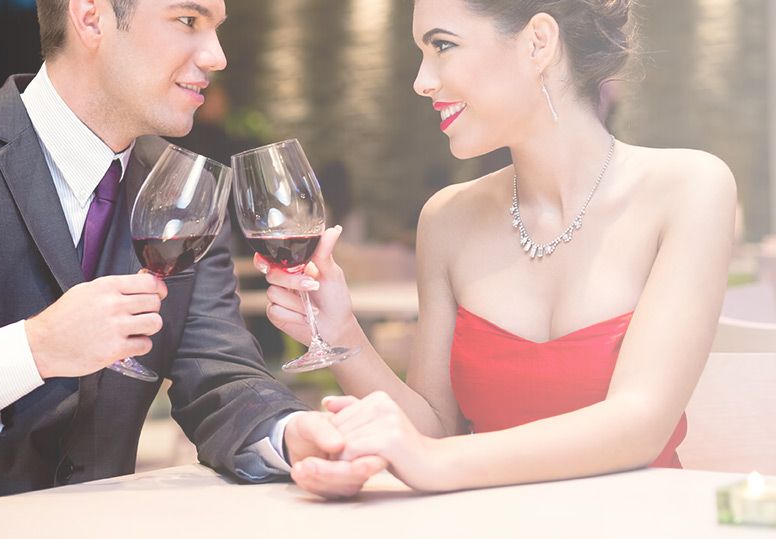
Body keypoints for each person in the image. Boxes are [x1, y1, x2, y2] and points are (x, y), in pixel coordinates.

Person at [0, 0, 385, 534]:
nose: (217, 55)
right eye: (189, 20)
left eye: (218, 26)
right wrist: (33, 349)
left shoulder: (185, 191)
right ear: (91, 18)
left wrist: (291, 435)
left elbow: (221, 377)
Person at [258, 0, 736, 496]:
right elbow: (434, 431)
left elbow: (638, 424)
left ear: (538, 43)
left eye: (442, 46)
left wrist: (435, 460)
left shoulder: (690, 189)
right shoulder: (446, 219)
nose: (422, 81)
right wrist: (341, 332)